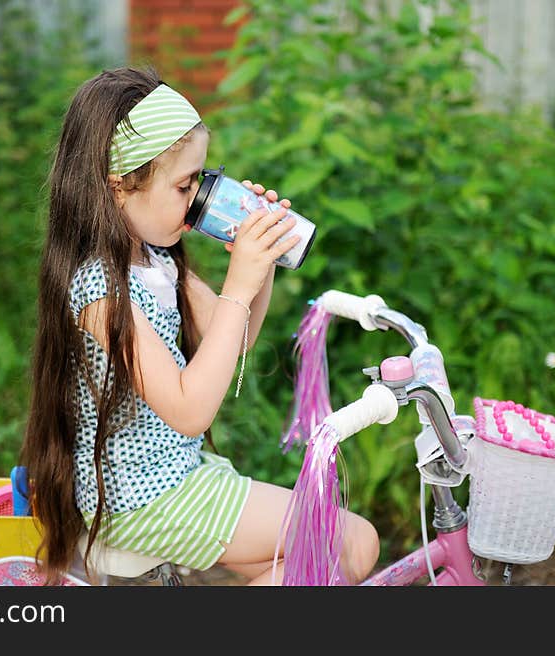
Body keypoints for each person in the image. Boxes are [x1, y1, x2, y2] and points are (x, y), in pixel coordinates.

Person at [21, 66, 379, 585]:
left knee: (325, 563)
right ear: (120, 188)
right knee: (350, 543)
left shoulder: (154, 259)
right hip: (142, 499)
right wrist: (238, 284)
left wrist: (262, 265)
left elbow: (232, 346)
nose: (197, 199)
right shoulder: (99, 289)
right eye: (186, 184)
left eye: (203, 179)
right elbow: (190, 410)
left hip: (177, 477)